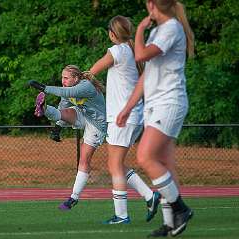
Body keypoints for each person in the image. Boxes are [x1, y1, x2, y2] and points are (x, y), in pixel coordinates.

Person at [116, 0, 194, 237]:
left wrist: (139, 29)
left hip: (168, 103)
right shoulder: (160, 30)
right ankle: (170, 223)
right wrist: (128, 107)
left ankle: (181, 209)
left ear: (152, 4)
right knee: (165, 165)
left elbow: (140, 56)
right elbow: (146, 75)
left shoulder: (171, 28)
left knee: (145, 156)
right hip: (155, 105)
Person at [89, 15, 160, 224]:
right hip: (132, 116)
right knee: (116, 164)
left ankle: (122, 215)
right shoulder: (133, 50)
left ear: (112, 34)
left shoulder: (117, 51)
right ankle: (150, 196)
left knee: (115, 165)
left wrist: (78, 81)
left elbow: (92, 71)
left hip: (122, 117)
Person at [28, 65, 107, 211]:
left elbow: (69, 91)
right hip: (84, 115)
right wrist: (57, 129)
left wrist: (43, 87)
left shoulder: (85, 86)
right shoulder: (67, 90)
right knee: (64, 112)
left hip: (97, 124)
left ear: (76, 79)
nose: (63, 81)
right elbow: (62, 110)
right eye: (62, 78)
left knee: (84, 161)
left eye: (66, 78)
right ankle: (44, 108)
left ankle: (74, 197)